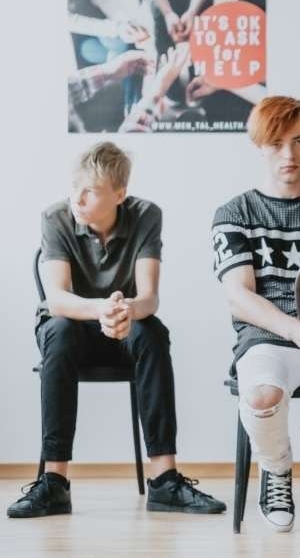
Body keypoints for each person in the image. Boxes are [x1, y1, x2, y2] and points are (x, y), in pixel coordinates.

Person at [8, 141, 225, 519]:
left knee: (152, 331)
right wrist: (101, 309)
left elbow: (149, 297)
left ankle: (165, 480)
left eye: (91, 189)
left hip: (125, 325)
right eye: (76, 185)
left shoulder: (145, 215)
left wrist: (124, 310)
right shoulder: (55, 217)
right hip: (72, 327)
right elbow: (57, 299)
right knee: (59, 331)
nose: (78, 196)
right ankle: (54, 483)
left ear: (119, 194)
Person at [212, 96, 300, 533]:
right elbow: (238, 296)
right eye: (278, 143)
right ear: (260, 146)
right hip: (270, 335)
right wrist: (296, 329)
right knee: (262, 397)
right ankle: (277, 468)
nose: (289, 154)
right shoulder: (236, 213)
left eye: (299, 140)